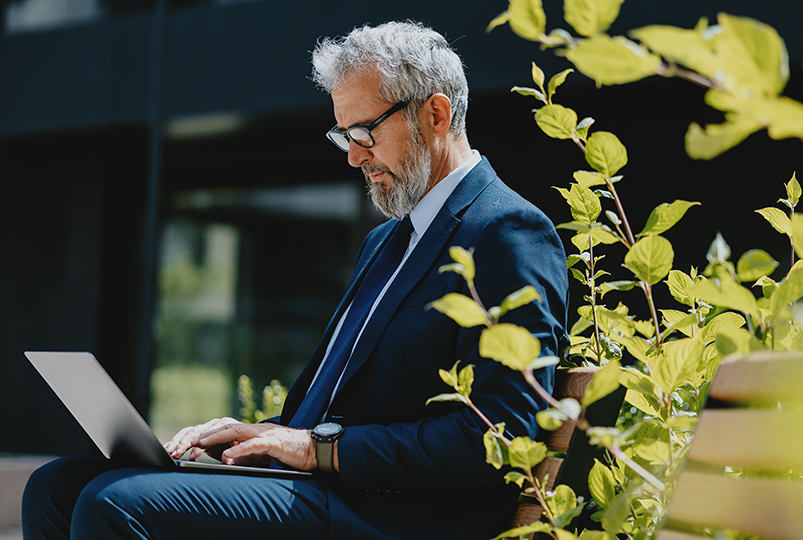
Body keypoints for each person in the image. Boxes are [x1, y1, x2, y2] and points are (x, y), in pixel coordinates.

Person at [22, 20, 568, 540]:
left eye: (365, 131)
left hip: (394, 515)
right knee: (56, 487)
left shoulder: (507, 233)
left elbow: (500, 437)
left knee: (115, 503)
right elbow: (336, 409)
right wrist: (256, 436)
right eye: (344, 135)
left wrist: (316, 448)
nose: (354, 157)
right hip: (326, 490)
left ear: (436, 114)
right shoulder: (387, 241)